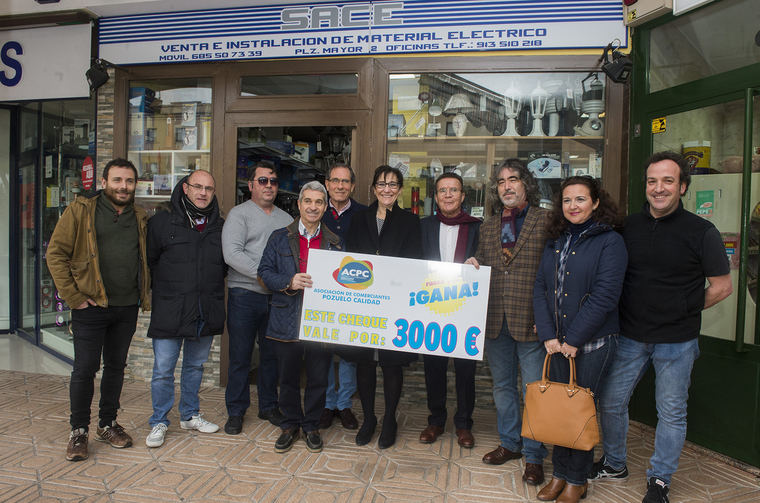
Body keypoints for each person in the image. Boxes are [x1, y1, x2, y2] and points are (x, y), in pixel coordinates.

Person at [590, 152, 732, 503]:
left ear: (682, 186)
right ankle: (615, 463)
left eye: (668, 181)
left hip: (677, 342)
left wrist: (682, 309)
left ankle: (660, 480)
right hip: (630, 336)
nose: (659, 188)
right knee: (610, 403)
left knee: (671, 412)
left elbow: (722, 286)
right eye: (652, 181)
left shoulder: (702, 232)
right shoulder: (629, 227)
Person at [46, 158, 151, 461]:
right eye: (117, 180)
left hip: (126, 306)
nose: (123, 186)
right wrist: (73, 297)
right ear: (104, 182)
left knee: (116, 367)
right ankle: (78, 431)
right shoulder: (81, 211)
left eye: (129, 181)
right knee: (85, 369)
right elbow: (55, 254)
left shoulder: (140, 216)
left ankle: (108, 424)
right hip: (90, 306)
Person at [532, 176, 627, 502]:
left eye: (580, 199)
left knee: (580, 412)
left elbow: (605, 296)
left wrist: (573, 338)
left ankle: (577, 479)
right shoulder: (554, 239)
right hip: (556, 344)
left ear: (596, 202)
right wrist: (548, 334)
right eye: (567, 200)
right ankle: (559, 474)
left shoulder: (610, 241)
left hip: (593, 344)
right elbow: (541, 288)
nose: (573, 206)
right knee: (559, 411)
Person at [464, 158, 549, 486]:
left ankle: (535, 455)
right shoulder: (487, 225)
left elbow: (553, 273)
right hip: (494, 320)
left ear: (526, 183)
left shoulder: (546, 220)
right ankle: (510, 444)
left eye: (513, 179)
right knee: (502, 388)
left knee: (534, 392)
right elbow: (484, 264)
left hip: (532, 321)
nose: (507, 186)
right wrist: (473, 264)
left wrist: (550, 320)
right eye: (501, 182)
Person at [258, 181, 342, 453]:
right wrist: (289, 281)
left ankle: (311, 426)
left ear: (325, 206)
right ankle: (290, 424)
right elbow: (264, 273)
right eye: (308, 201)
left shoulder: (336, 243)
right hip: (287, 319)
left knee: (319, 377)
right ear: (299, 204)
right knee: (289, 377)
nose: (313, 207)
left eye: (319, 202)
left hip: (321, 321)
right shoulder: (279, 237)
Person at [144, 170, 226, 448]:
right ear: (185, 188)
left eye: (209, 189)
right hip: (170, 308)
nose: (203, 193)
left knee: (195, 366)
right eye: (198, 187)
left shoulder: (219, 226)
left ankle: (190, 414)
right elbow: (151, 261)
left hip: (204, 308)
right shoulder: (161, 222)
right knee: (163, 369)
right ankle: (158, 421)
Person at [345, 164, 422, 449]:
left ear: (400, 189)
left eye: (393, 184)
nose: (387, 189)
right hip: (364, 301)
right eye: (381, 184)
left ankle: (389, 418)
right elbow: (350, 258)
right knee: (364, 361)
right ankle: (369, 418)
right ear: (373, 188)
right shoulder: (359, 218)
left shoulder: (410, 221)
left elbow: (416, 260)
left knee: (391, 363)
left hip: (397, 302)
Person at [222, 160, 293, 434]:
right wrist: (264, 275)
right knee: (240, 356)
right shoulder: (238, 215)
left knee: (271, 356)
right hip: (244, 295)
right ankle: (236, 411)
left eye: (273, 181)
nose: (269, 186)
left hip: (276, 299)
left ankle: (268, 406)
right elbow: (232, 254)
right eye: (263, 181)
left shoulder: (286, 220)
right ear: (251, 185)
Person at [418, 172, 481, 449]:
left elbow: (487, 260)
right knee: (434, 367)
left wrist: (479, 263)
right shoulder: (423, 226)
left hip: (466, 306)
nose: (447, 195)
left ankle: (464, 424)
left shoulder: (478, 227)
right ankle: (436, 420)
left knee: (466, 369)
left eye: (453, 190)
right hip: (431, 306)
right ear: (436, 196)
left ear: (462, 196)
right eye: (442, 190)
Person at [318, 163, 366, 431]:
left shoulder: (363, 214)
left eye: (345, 182)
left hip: (354, 294)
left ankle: (344, 404)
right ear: (327, 184)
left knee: (349, 352)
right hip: (323, 294)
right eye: (335, 181)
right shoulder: (316, 209)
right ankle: (327, 404)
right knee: (323, 351)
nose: (340, 186)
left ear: (353, 186)